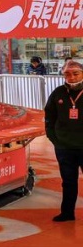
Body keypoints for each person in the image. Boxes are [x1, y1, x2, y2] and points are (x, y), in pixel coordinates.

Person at [44, 60, 83, 222]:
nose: (71, 77)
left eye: (75, 73)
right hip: (64, 147)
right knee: (68, 181)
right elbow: (49, 117)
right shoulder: (58, 93)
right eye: (67, 74)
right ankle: (67, 213)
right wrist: (55, 139)